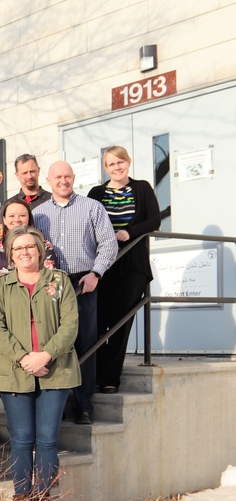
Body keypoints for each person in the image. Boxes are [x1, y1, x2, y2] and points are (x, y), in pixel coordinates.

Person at [0, 227, 81, 501]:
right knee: (22, 439)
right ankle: (22, 497)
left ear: (40, 251)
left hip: (56, 370)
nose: (24, 252)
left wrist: (46, 356)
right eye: (18, 248)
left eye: (30, 247)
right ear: (10, 255)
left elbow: (71, 324)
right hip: (15, 372)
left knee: (48, 438)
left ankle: (42, 497)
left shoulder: (59, 281)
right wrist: (25, 358)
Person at [34, 161, 117, 425]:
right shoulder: (38, 214)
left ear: (73, 178)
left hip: (84, 282)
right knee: (52, 342)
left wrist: (97, 273)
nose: (63, 180)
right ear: (48, 180)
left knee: (85, 342)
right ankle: (55, 406)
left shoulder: (92, 207)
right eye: (57, 176)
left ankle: (84, 406)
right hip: (49, 283)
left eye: (67, 176)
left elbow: (108, 244)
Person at [87, 146, 161, 393]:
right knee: (100, 321)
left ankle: (110, 378)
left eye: (120, 162)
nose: (116, 167)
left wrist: (131, 232)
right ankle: (96, 374)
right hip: (104, 265)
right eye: (111, 164)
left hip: (133, 265)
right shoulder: (97, 193)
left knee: (121, 321)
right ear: (105, 168)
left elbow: (154, 220)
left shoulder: (142, 188)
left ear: (128, 163)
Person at [0, 197, 57, 295]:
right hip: (5, 302)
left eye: (22, 215)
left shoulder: (44, 246)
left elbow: (51, 278)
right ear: (4, 219)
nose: (17, 220)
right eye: (11, 216)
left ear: (29, 218)